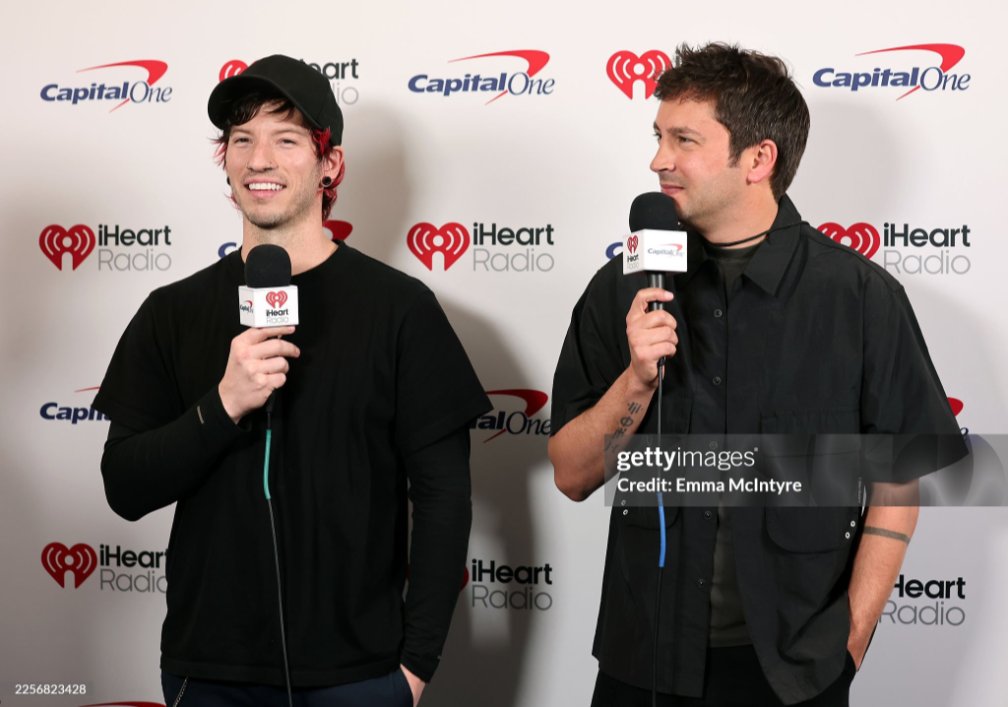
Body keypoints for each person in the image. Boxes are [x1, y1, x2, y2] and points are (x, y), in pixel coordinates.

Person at [549, 43, 965, 706]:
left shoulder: (858, 298)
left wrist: (850, 641)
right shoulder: (621, 287)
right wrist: (635, 381)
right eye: (658, 136)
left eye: (684, 139)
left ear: (759, 158)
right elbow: (571, 474)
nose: (658, 159)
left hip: (792, 675)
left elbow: (898, 481)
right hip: (643, 663)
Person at [94, 54, 490, 707]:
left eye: (285, 138)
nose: (258, 159)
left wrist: (415, 667)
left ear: (329, 163)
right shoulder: (172, 312)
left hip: (358, 676)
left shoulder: (400, 309)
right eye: (241, 140)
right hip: (209, 670)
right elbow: (124, 486)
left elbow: (445, 496)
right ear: (224, 162)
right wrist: (222, 404)